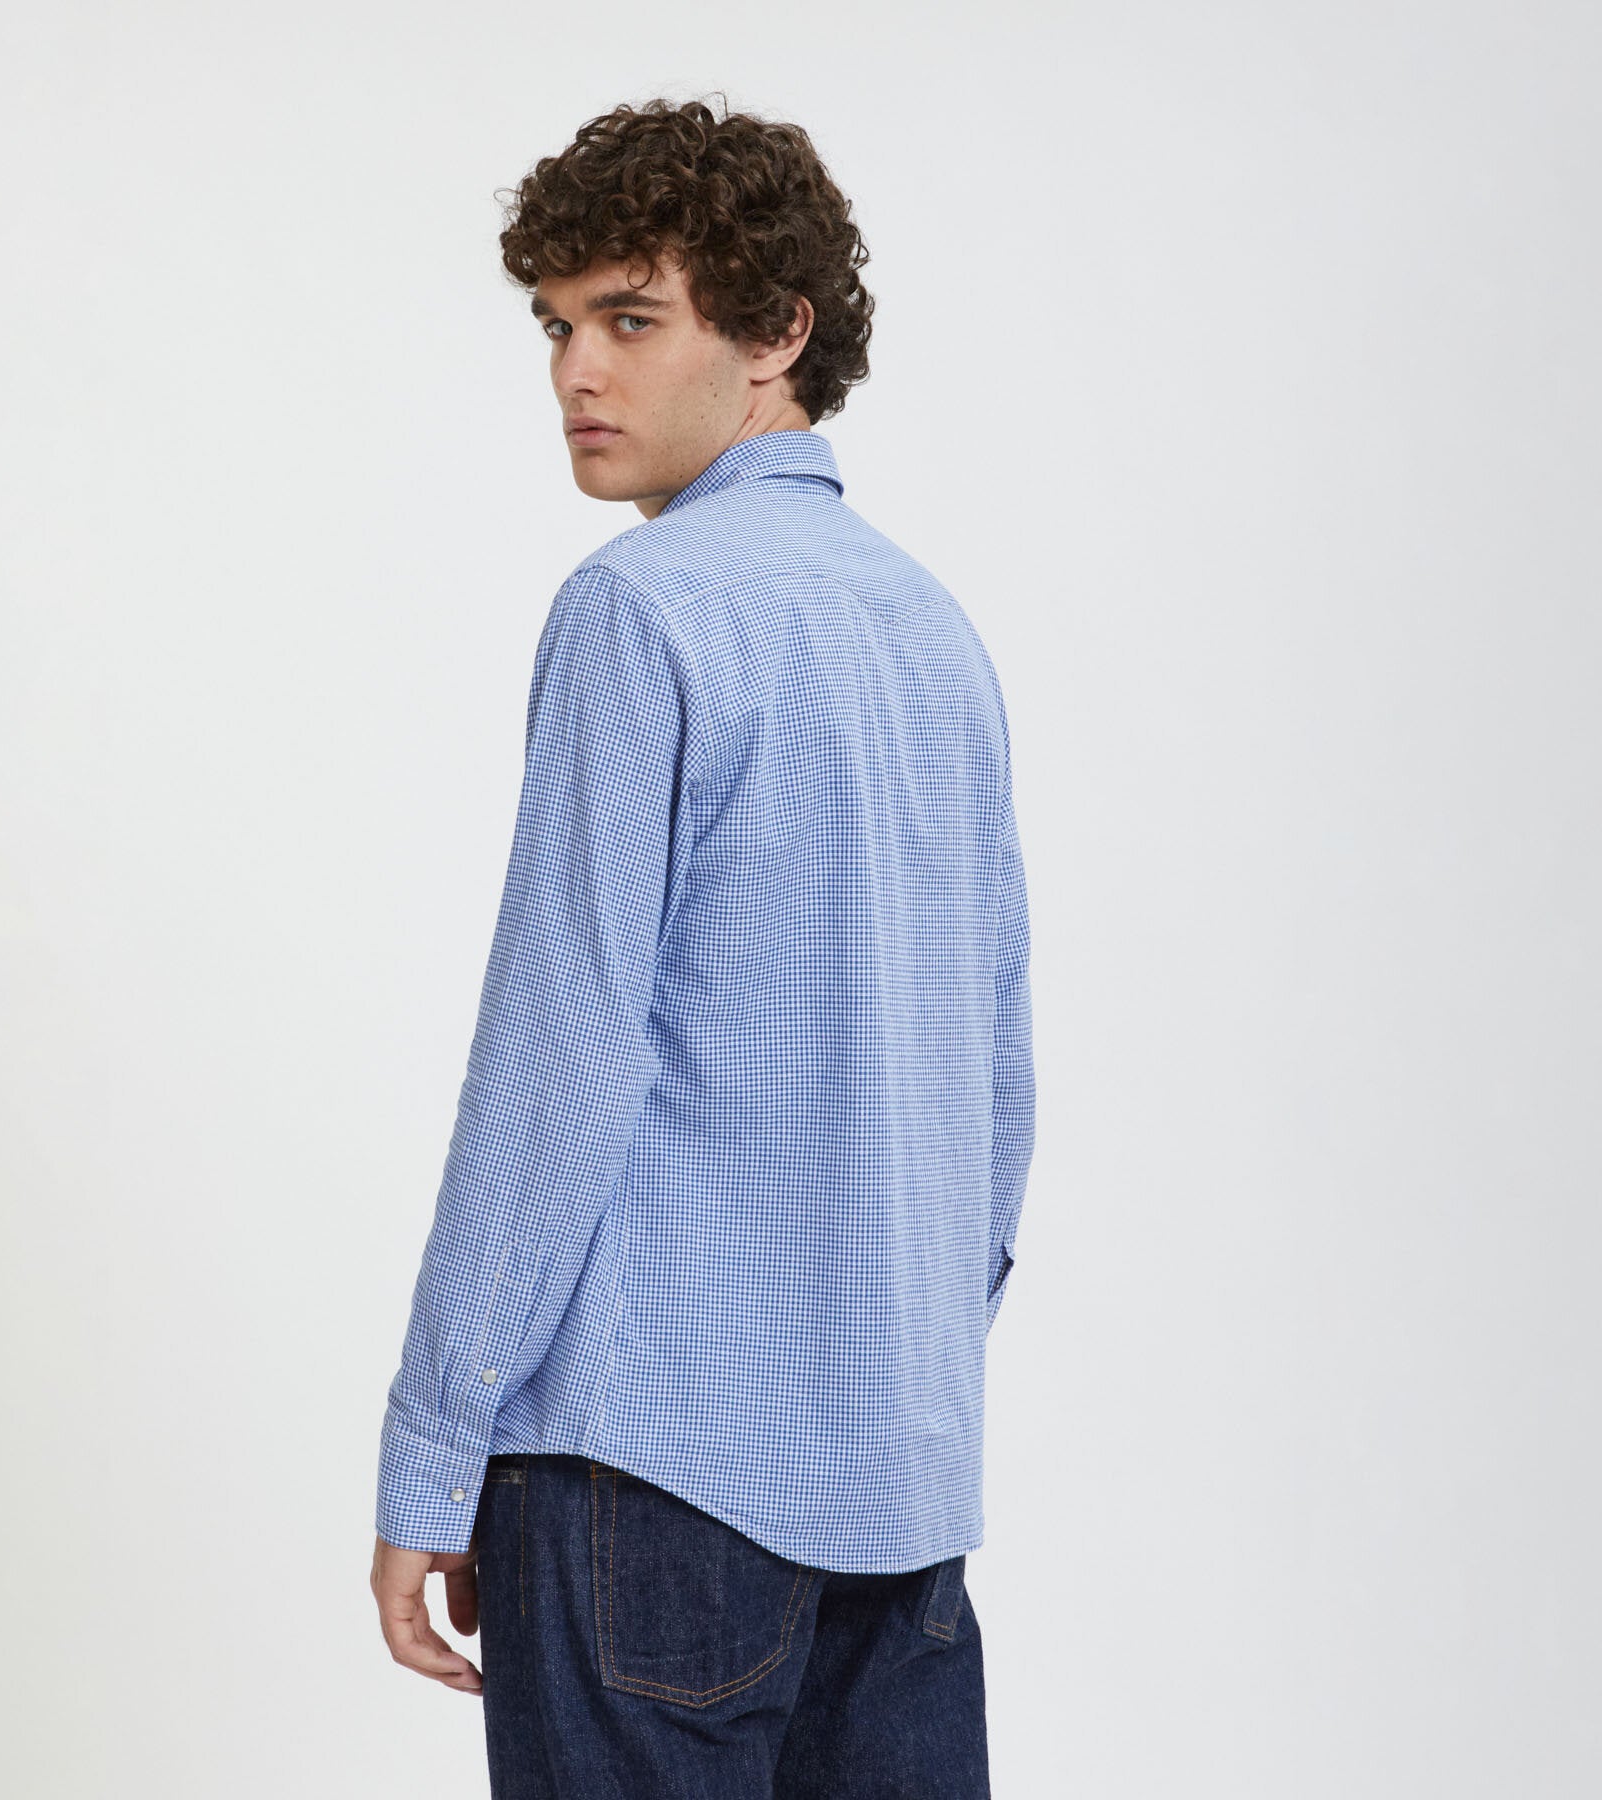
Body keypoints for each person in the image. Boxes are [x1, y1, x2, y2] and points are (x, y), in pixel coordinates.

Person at [369, 93, 1035, 1798]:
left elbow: (558, 1060)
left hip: (643, 1481)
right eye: (556, 326)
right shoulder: (932, 628)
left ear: (777, 332)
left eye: (629, 319)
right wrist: (907, 1365)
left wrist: (437, 1447)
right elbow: (996, 1079)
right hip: (901, 1490)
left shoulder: (638, 608)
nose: (575, 374)